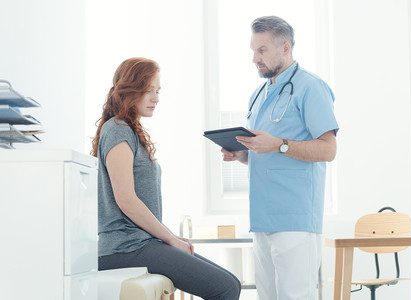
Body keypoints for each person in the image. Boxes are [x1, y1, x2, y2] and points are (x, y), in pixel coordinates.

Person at [91, 57, 241, 300]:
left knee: (232, 283)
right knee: (225, 288)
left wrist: (170, 236)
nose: (156, 98)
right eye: (148, 90)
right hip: (124, 247)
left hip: (140, 243)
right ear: (130, 90)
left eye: (158, 91)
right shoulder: (117, 129)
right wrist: (170, 238)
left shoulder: (129, 131)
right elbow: (126, 200)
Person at [221, 16, 339, 299]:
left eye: (262, 50)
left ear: (285, 48)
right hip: (262, 219)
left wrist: (278, 145)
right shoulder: (258, 94)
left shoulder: (311, 87)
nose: (254, 58)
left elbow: (328, 149)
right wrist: (243, 156)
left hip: (295, 218)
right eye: (253, 50)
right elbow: (268, 152)